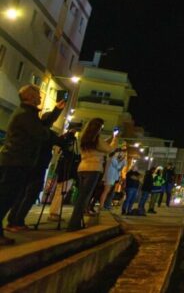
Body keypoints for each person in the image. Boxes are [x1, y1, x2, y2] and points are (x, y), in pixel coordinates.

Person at [0, 85, 64, 243]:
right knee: (6, 198)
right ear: (30, 97)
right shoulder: (26, 115)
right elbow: (41, 133)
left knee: (9, 197)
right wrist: (58, 139)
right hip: (16, 161)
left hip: (17, 161)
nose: (41, 98)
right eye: (38, 95)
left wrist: (56, 111)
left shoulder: (28, 114)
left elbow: (41, 128)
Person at [68, 118, 116, 231]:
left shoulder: (84, 138)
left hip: (82, 168)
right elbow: (109, 149)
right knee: (84, 197)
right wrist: (115, 139)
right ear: (99, 128)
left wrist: (109, 139)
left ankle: (76, 222)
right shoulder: (97, 140)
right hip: (93, 169)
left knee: (82, 196)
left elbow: (100, 145)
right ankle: (74, 224)